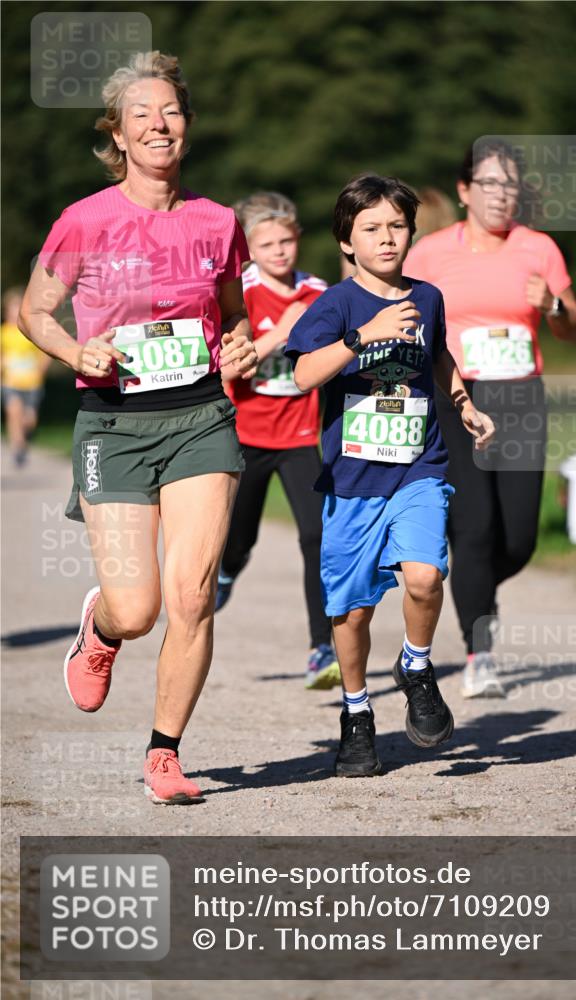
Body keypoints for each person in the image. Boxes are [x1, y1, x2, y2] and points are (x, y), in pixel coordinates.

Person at [18, 51, 258, 804]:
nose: (160, 125)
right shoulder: (84, 220)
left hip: (199, 419)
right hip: (114, 424)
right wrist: (74, 348)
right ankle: (103, 629)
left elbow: (235, 308)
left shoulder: (218, 222)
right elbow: (33, 311)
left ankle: (164, 754)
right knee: (140, 608)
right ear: (117, 135)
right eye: (142, 116)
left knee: (192, 597)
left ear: (187, 126)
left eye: (172, 113)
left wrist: (244, 340)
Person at [285, 174, 494, 776]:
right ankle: (356, 714)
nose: (386, 238)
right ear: (347, 241)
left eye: (397, 226)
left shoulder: (427, 298)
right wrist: (362, 337)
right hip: (351, 481)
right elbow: (303, 376)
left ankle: (417, 664)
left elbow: (438, 359)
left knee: (426, 577)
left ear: (412, 232)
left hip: (417, 468)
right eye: (371, 228)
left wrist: (464, 405)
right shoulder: (334, 305)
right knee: (351, 614)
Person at [406, 139, 576, 698]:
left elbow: (573, 324)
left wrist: (553, 305)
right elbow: (398, 306)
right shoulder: (430, 253)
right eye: (489, 183)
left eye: (510, 185)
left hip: (522, 397)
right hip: (460, 394)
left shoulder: (539, 249)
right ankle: (479, 652)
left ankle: (477, 589)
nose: (500, 195)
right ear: (464, 191)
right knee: (474, 526)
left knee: (521, 537)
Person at [219, 191, 341, 689]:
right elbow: (231, 367)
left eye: (286, 240)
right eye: (266, 243)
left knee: (318, 535)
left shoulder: (319, 291)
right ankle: (227, 571)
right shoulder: (239, 293)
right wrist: (282, 333)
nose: (279, 251)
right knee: (240, 535)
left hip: (299, 435)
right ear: (249, 248)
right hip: (246, 433)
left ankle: (321, 646)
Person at [1, 286, 50, 466]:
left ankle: (26, 436)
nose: (14, 313)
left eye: (18, 308)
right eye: (11, 309)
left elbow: (44, 354)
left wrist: (40, 369)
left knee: (29, 419)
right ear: (6, 312)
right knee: (13, 412)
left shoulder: (30, 331)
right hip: (11, 382)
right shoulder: (3, 333)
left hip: (32, 383)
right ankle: (17, 447)